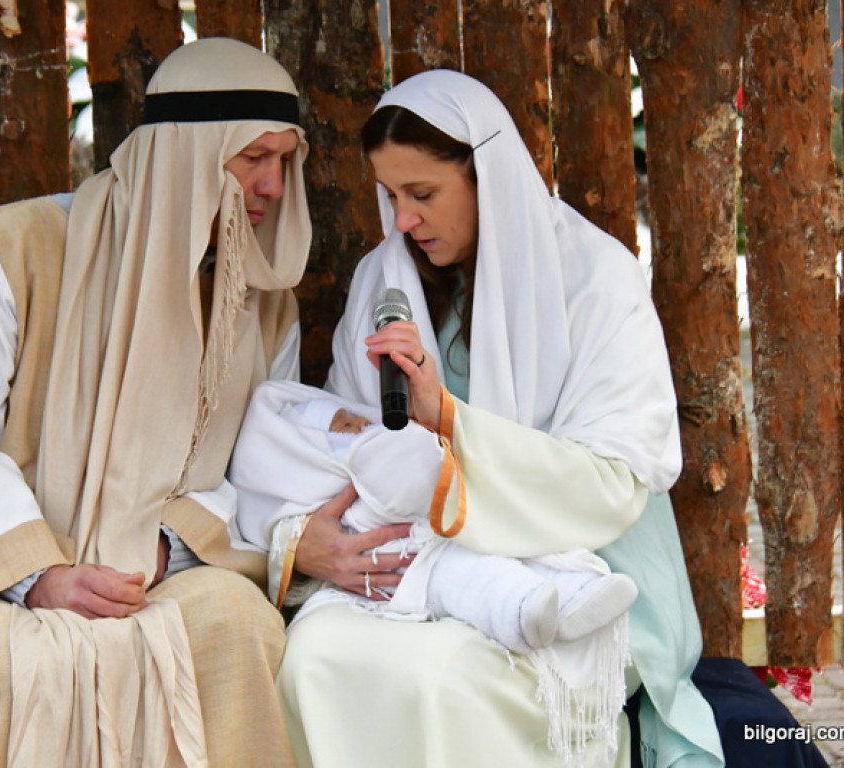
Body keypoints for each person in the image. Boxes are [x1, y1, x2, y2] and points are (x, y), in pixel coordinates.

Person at [0, 38, 312, 767]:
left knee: (238, 629)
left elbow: (260, 472)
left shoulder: (262, 304)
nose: (274, 184)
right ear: (185, 155)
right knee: (0, 669)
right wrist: (38, 577)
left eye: (286, 160)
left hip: (158, 576)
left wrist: (167, 549)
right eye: (253, 157)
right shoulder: (11, 250)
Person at [273, 70, 726, 768]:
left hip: (580, 573)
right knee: (313, 656)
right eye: (390, 196)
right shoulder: (382, 280)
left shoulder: (595, 279)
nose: (403, 221)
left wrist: (448, 419)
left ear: (487, 176)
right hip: (423, 566)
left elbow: (612, 485)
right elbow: (350, 442)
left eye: (423, 194)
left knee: (443, 678)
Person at [231, 378, 639, 659]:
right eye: (346, 425)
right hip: (407, 564)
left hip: (451, 527)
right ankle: (522, 614)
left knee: (503, 551)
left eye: (358, 418)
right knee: (472, 580)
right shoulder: (341, 469)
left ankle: (572, 593)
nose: (362, 424)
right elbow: (413, 466)